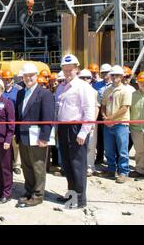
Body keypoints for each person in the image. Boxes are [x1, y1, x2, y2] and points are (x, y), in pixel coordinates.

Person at [55, 55, 96, 209]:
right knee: (67, 164)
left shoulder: (83, 87)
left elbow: (88, 111)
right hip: (63, 128)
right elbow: (57, 109)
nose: (67, 72)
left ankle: (80, 199)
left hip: (76, 128)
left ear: (76, 69)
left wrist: (83, 132)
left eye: (70, 69)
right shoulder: (60, 87)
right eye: (65, 70)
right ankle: (71, 195)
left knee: (78, 164)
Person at [15, 63, 55, 208]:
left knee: (38, 166)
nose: (28, 78)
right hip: (24, 136)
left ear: (36, 76)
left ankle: (38, 195)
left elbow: (48, 117)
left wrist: (44, 137)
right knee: (26, 166)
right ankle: (29, 190)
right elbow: (18, 115)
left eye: (31, 75)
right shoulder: (20, 93)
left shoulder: (45, 94)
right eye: (25, 76)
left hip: (37, 138)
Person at [100, 65, 132, 183]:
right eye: (113, 75)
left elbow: (124, 108)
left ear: (122, 76)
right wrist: (105, 117)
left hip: (121, 124)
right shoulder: (107, 90)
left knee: (122, 150)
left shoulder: (125, 90)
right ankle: (111, 169)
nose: (114, 77)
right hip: (109, 124)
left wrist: (110, 118)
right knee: (109, 149)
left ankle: (123, 172)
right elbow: (103, 106)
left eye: (117, 75)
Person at [78, 69, 101, 177]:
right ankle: (80, 167)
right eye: (82, 78)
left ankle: (90, 167)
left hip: (91, 122)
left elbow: (96, 108)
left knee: (91, 146)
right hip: (78, 122)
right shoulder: (75, 90)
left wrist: (92, 122)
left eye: (87, 77)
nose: (85, 80)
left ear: (91, 79)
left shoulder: (94, 92)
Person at [1, 70, 21, 175]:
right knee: (5, 143)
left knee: (15, 143)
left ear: (12, 80)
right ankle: (7, 163)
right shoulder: (0, 92)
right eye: (5, 79)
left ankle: (17, 165)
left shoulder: (17, 92)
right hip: (2, 122)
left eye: (9, 79)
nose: (7, 81)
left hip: (14, 121)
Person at [93, 63, 112, 165]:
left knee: (109, 137)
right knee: (100, 137)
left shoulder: (114, 85)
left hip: (112, 113)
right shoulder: (96, 85)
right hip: (99, 113)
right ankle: (99, 157)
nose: (105, 74)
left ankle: (110, 159)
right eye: (103, 72)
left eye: (107, 72)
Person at [129, 71, 144, 178]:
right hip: (136, 129)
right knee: (140, 151)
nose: (143, 84)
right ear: (137, 83)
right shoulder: (132, 95)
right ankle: (140, 170)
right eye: (141, 82)